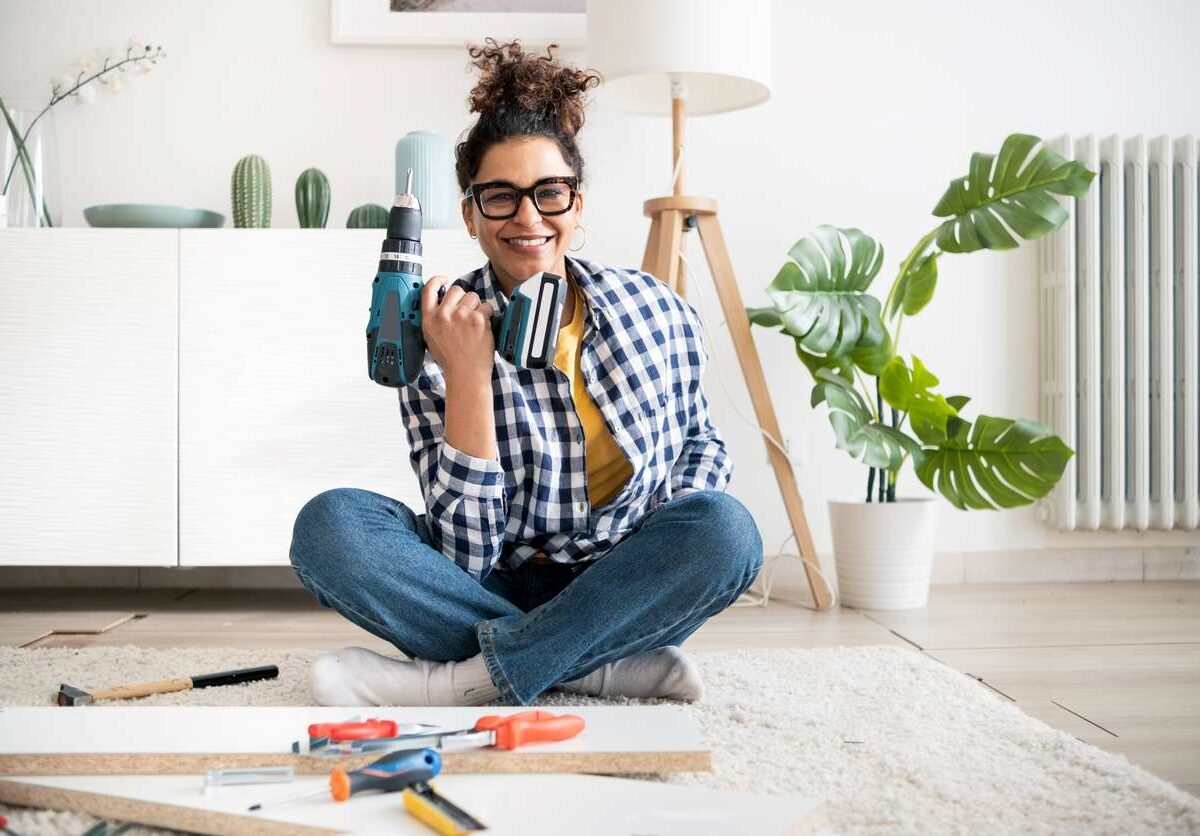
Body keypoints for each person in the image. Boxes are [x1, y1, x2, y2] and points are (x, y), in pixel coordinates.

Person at [289, 39, 762, 707]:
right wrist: (469, 374)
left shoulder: (659, 311)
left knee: (726, 530)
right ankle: (594, 666)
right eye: (500, 198)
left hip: (620, 577)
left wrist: (655, 555)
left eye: (550, 193)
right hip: (488, 581)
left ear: (579, 202)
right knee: (328, 527)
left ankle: (463, 680)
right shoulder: (438, 331)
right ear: (470, 215)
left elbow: (698, 448)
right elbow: (464, 555)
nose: (529, 218)